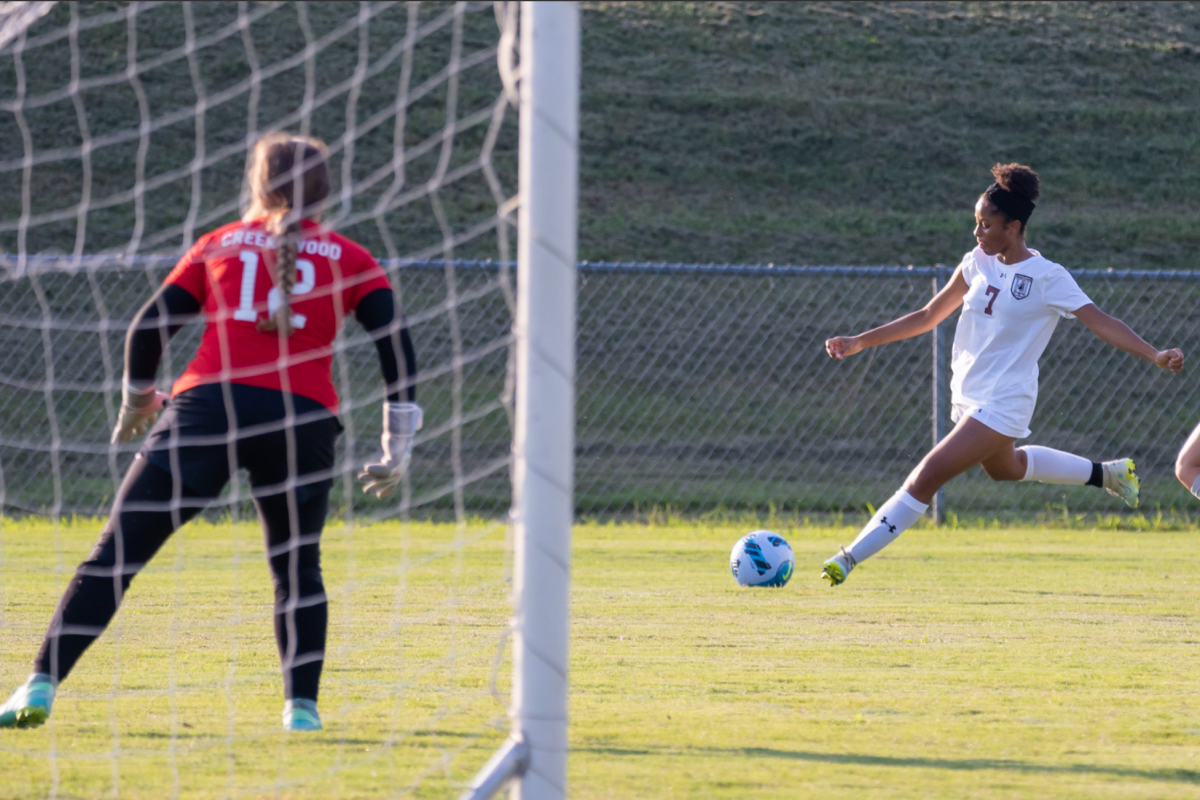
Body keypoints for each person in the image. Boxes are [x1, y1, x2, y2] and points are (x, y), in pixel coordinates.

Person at [0, 133, 421, 731]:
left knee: (116, 555)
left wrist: (139, 400)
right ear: (326, 191)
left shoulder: (218, 243)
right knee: (297, 569)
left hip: (206, 412)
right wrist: (396, 442)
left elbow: (149, 327)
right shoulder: (351, 256)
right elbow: (396, 346)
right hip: (302, 423)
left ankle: (37, 686)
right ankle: (301, 711)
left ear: (257, 183)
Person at [821, 163, 1184, 586]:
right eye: (976, 222)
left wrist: (1153, 354)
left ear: (1013, 227)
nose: (977, 232)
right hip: (970, 394)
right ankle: (1107, 474)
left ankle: (847, 559)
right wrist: (861, 340)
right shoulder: (977, 262)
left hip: (1005, 399)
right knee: (1005, 468)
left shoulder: (1048, 277)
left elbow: (1100, 321)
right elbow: (927, 315)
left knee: (927, 476)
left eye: (985, 224)